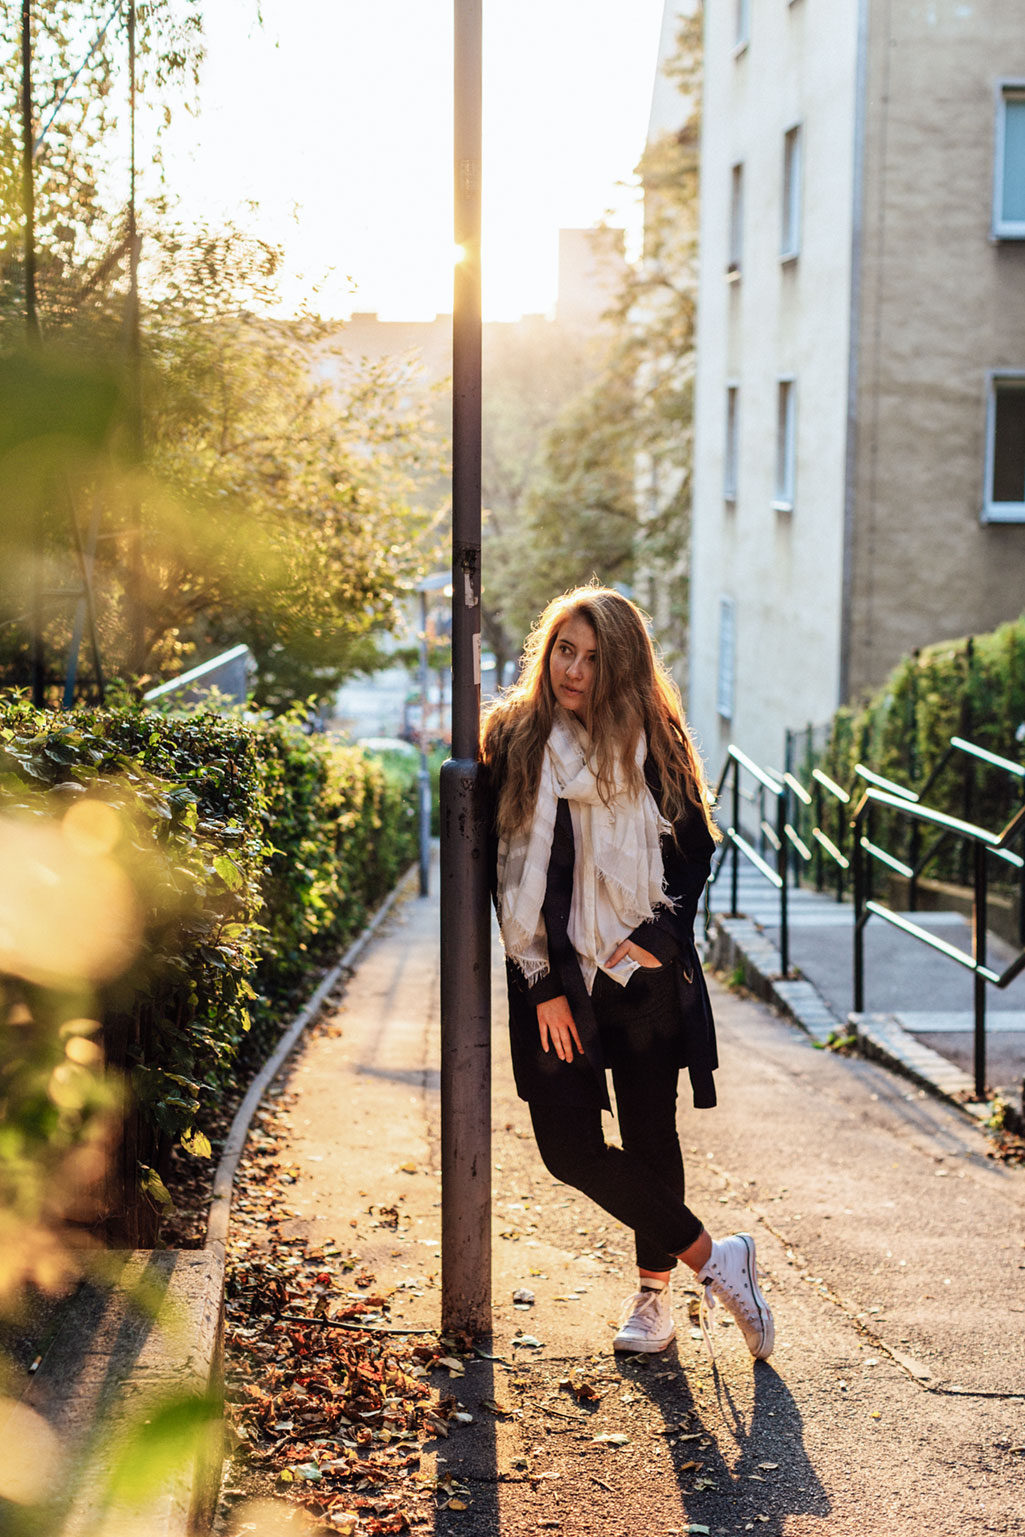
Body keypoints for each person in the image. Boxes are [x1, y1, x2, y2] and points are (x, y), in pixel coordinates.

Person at [481, 585, 774, 1360]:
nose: (573, 669)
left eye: (591, 656)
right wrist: (540, 981)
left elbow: (696, 845)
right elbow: (508, 869)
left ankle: (653, 1298)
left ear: (621, 664)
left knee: (649, 1133)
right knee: (567, 1148)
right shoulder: (516, 734)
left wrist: (657, 933)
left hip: (635, 981)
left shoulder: (650, 735)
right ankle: (719, 1258)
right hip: (551, 976)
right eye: (563, 650)